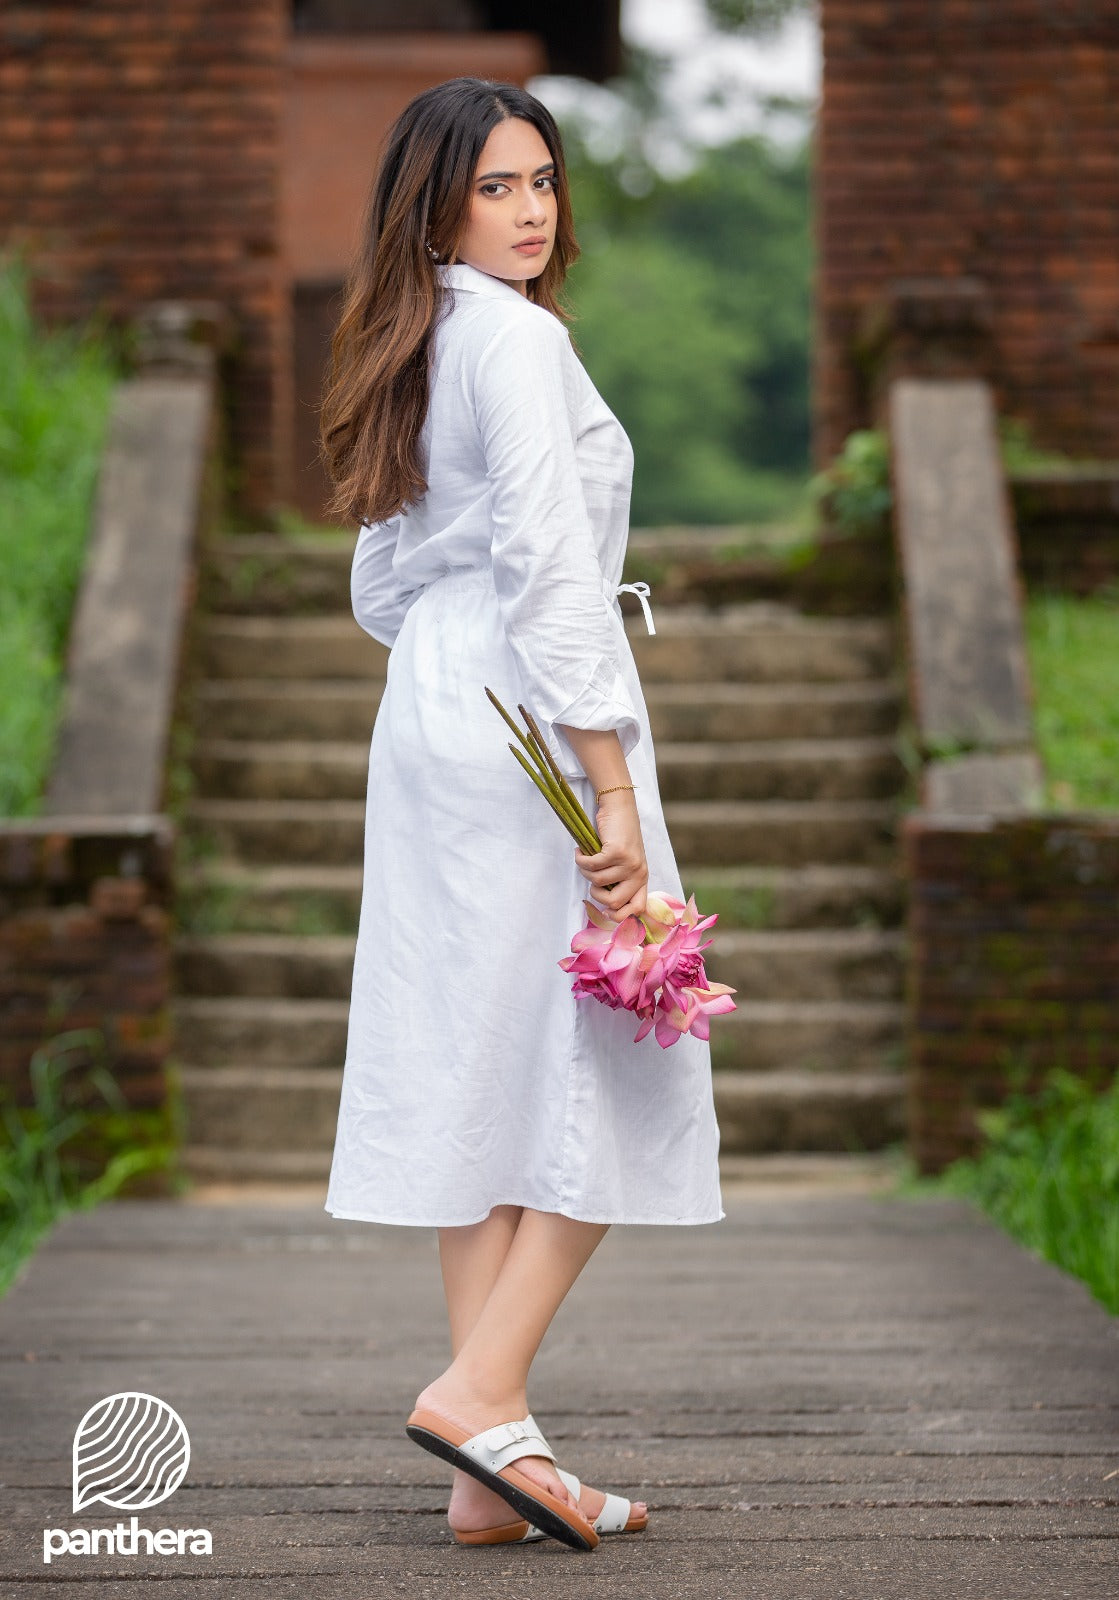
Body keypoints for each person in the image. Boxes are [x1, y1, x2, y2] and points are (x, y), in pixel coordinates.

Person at [318, 76, 724, 1552]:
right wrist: (609, 788)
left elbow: (379, 586)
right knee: (623, 1041)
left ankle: (487, 1460)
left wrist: (453, 643)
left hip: (433, 712)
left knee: (482, 1053)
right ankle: (479, 1386)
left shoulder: (408, 338)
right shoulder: (519, 340)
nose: (533, 208)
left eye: (543, 179)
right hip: (532, 721)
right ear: (436, 201)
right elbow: (556, 576)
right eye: (497, 186)